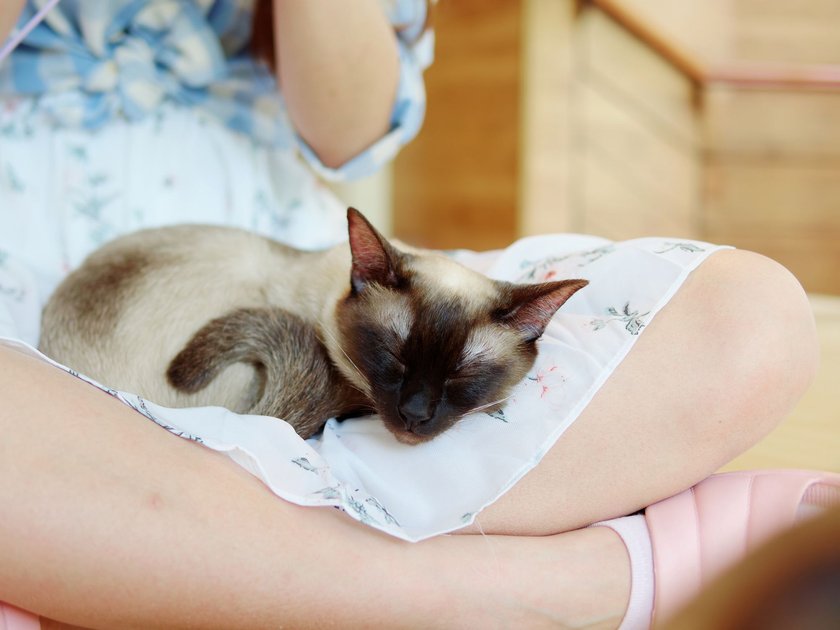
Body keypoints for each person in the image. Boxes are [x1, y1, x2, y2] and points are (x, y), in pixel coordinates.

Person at [0, 2, 836, 629]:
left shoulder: (379, 297)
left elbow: (350, 132)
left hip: (296, 251)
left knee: (749, 321)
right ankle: (520, 588)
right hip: (33, 308)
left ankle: (195, 562)